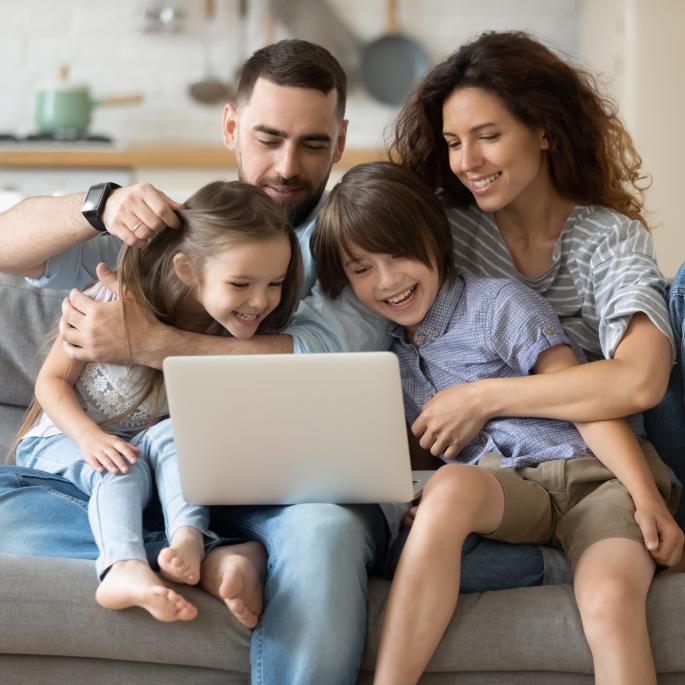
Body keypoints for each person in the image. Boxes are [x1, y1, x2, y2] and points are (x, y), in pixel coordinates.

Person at [0, 38, 560, 683]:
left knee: (324, 537)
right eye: (268, 139)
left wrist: (147, 343)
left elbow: (322, 353)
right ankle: (212, 558)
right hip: (161, 483)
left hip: (297, 495)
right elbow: (14, 253)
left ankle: (199, 551)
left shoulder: (352, 241)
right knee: (19, 514)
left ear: (341, 140)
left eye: (313, 145)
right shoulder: (181, 233)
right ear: (232, 127)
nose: (288, 166)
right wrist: (95, 203)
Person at [311, 161, 684, 685]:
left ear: (435, 240)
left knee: (609, 600)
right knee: (446, 491)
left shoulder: (497, 305)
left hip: (595, 480)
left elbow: (589, 403)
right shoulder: (390, 361)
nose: (388, 280)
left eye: (399, 255)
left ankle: (580, 561)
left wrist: (647, 499)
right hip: (512, 493)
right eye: (362, 268)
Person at [389, 30, 685, 526]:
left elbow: (641, 381)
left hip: (616, 453)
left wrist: (482, 397)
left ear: (544, 130)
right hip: (504, 476)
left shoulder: (607, 238)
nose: (466, 162)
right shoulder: (445, 235)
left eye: (488, 136)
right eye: (454, 143)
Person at [9, 180, 300, 624]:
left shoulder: (230, 334)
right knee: (118, 468)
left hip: (148, 466)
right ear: (187, 269)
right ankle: (126, 567)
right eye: (241, 283)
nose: (260, 300)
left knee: (173, 438)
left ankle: (187, 538)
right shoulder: (112, 300)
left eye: (275, 284)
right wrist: (89, 438)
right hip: (66, 441)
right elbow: (50, 383)